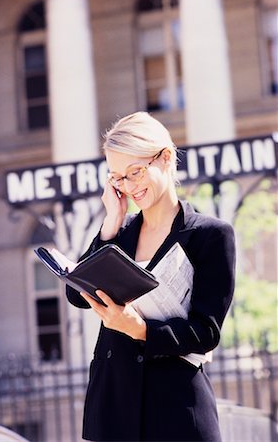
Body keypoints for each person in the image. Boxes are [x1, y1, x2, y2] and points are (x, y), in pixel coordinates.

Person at [66, 111, 236, 442]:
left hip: (176, 408)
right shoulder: (121, 233)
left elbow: (206, 333)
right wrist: (111, 223)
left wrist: (140, 329)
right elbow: (77, 296)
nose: (129, 186)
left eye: (136, 172)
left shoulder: (209, 235)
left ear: (166, 158)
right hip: (113, 406)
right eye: (118, 178)